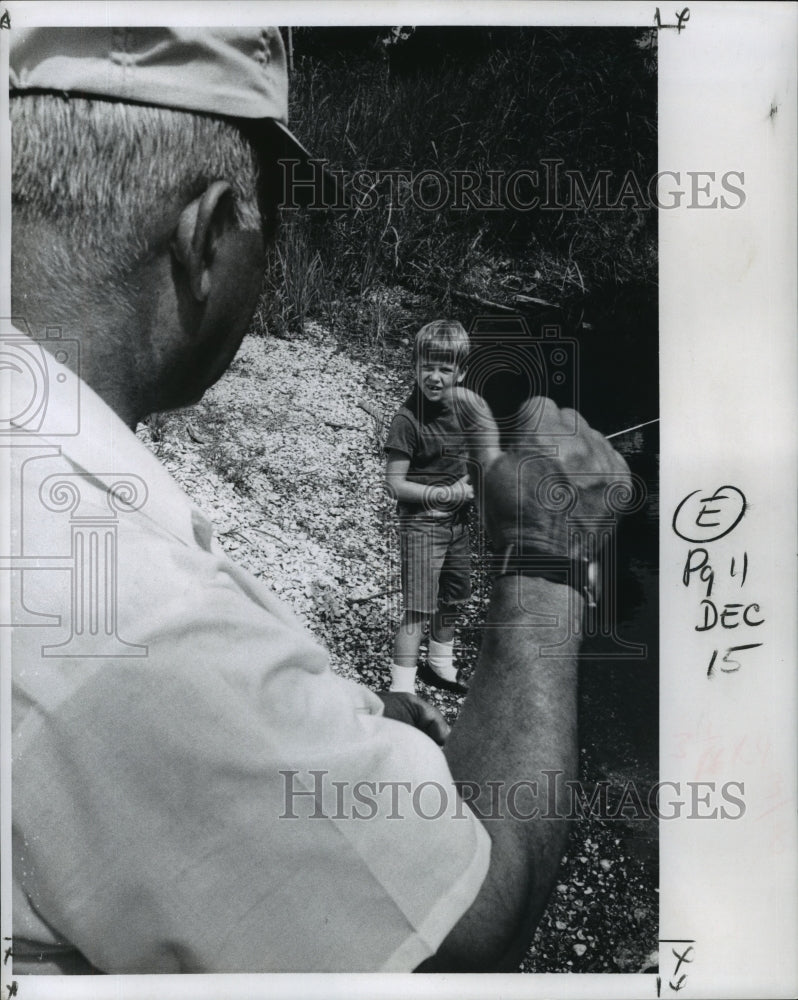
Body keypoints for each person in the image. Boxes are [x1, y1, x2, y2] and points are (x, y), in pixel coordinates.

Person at [5, 27, 631, 976]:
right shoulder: (138, 622)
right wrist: (546, 561)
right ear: (209, 233)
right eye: (276, 226)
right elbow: (465, 926)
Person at [385, 320, 474, 695]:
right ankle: (401, 694)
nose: (435, 377)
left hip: (457, 526)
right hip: (422, 528)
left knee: (453, 599)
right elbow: (394, 485)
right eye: (427, 367)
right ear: (415, 368)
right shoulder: (407, 421)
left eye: (445, 369)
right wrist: (443, 495)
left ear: (461, 373)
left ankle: (439, 666)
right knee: (418, 612)